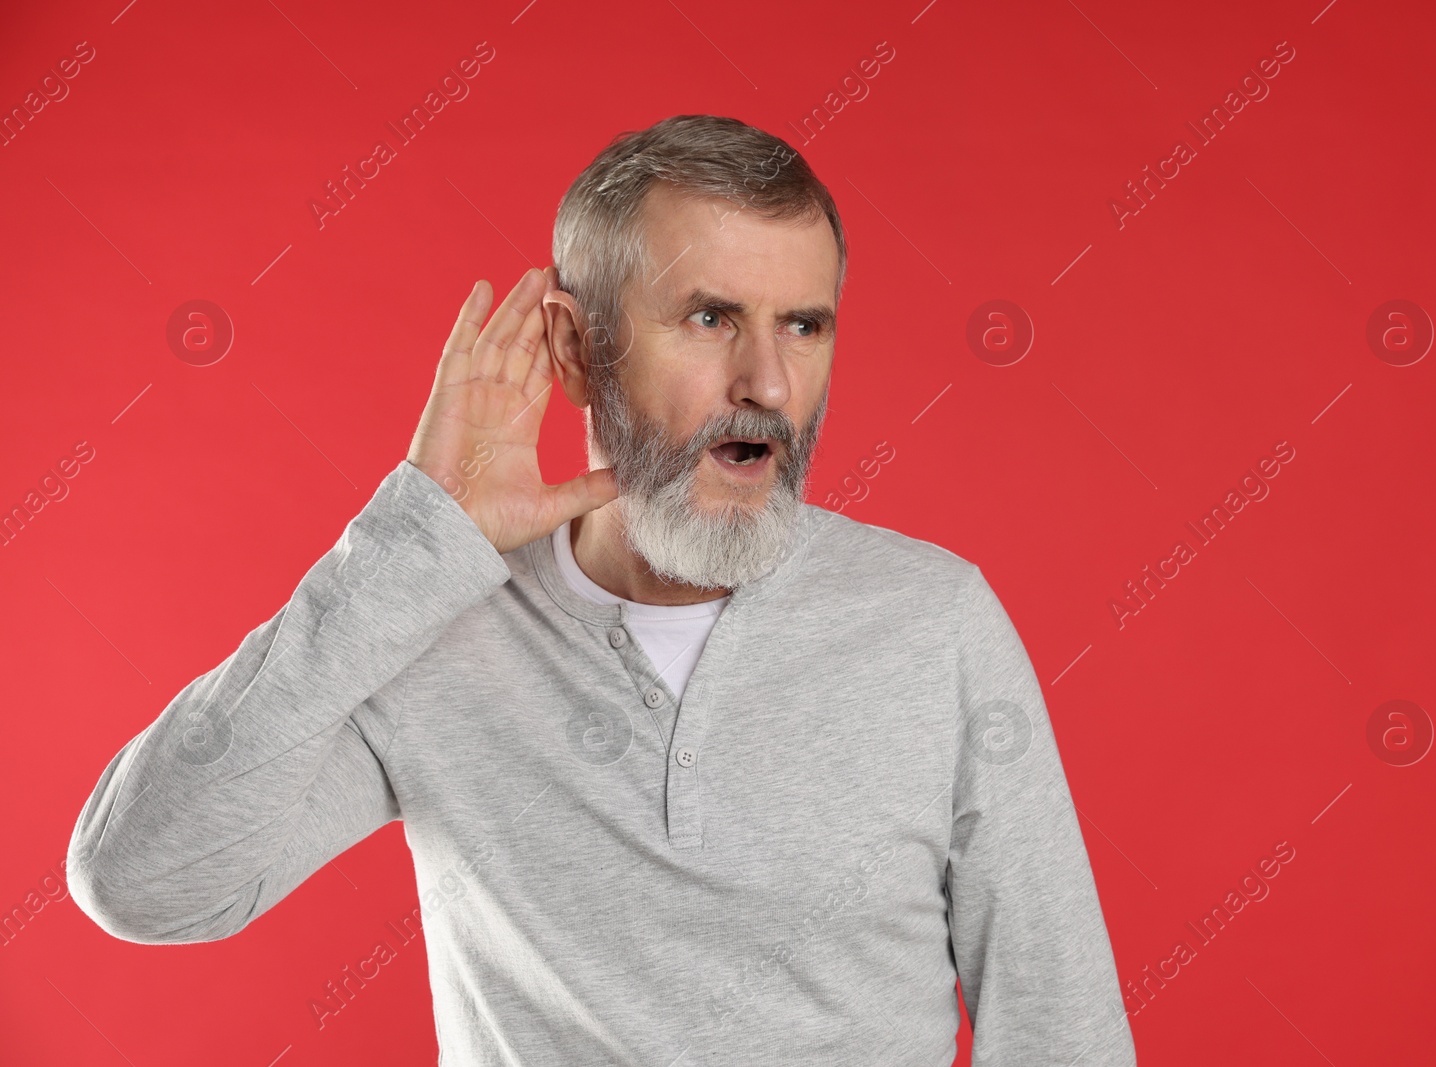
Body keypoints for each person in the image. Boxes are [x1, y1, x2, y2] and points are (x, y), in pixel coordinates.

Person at [67, 113, 1137, 1066]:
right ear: (579, 350)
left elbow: (1059, 1021)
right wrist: (413, 544)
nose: (767, 383)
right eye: (711, 319)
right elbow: (145, 882)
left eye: (803, 325)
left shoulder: (932, 619)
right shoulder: (437, 616)